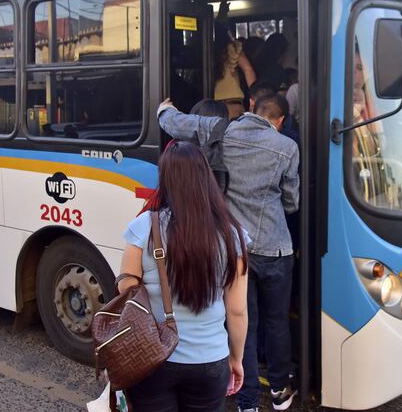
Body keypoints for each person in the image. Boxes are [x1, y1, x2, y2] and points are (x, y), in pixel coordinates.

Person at [158, 94, 299, 412]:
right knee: (276, 322)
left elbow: (174, 123)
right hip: (277, 249)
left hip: (237, 247)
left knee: (242, 322)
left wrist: (164, 108)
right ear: (279, 121)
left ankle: (247, 402)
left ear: (251, 107)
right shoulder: (287, 146)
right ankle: (279, 390)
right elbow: (292, 200)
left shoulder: (222, 130)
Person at [119, 141, 249, 411]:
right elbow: (237, 311)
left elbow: (126, 288)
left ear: (165, 179)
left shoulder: (143, 227)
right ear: (205, 178)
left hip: (153, 357)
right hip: (210, 360)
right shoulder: (231, 234)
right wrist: (236, 359)